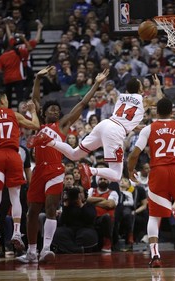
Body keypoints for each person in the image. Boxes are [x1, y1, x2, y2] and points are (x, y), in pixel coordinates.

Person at [16, 67, 109, 264]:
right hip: (39, 169)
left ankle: (47, 249)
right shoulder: (39, 124)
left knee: (50, 208)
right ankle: (32, 251)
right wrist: (37, 79)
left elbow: (83, 103)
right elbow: (35, 101)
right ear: (44, 113)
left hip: (56, 170)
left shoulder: (63, 125)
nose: (56, 111)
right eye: (52, 109)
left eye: (57, 110)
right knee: (32, 211)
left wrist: (97, 83)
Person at [28, 75, 164, 189]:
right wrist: (157, 85)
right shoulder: (144, 100)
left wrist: (133, 126)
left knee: (75, 155)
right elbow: (161, 101)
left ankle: (48, 141)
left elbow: (125, 116)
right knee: (117, 175)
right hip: (115, 131)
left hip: (104, 124)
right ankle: (91, 170)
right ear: (141, 88)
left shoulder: (121, 96)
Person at [127, 98, 175, 267]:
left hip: (159, 171)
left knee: (154, 216)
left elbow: (134, 155)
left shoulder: (148, 129)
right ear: (172, 111)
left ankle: (155, 256)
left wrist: (130, 170)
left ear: (156, 111)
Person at [0, 89, 40, 255]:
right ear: (3, 100)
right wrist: (32, 111)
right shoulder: (14, 114)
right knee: (15, 197)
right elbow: (35, 125)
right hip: (13, 155)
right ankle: (17, 232)